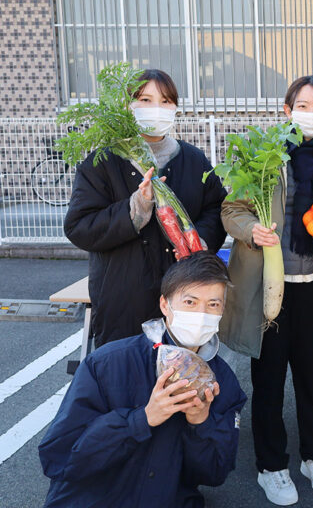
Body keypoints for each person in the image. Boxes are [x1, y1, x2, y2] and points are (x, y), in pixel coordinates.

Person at [39, 252, 247, 508]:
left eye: (213, 304)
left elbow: (215, 473)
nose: (202, 314)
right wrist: (143, 418)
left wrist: (200, 423)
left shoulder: (222, 382)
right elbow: (58, 458)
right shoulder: (107, 363)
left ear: (223, 310)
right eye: (190, 302)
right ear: (164, 305)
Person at [220, 75, 313, 505]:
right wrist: (251, 229)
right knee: (268, 380)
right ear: (286, 111)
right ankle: (271, 467)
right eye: (304, 105)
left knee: (311, 378)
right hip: (268, 286)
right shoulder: (263, 156)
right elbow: (230, 209)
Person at [63, 69, 227, 346]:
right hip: (123, 297)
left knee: (182, 376)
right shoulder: (103, 162)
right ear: (129, 107)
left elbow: (216, 210)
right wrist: (136, 208)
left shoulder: (193, 159)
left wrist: (198, 239)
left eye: (166, 101)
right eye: (146, 100)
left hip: (184, 297)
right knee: (123, 375)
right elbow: (79, 227)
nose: (157, 109)